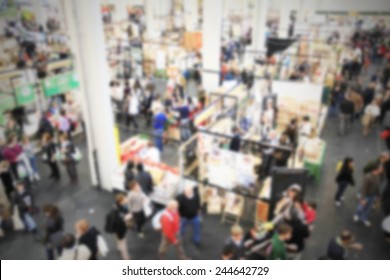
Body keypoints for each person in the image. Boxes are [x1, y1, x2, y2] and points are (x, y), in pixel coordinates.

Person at [106, 194, 130, 260]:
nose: (126, 199)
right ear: (121, 201)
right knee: (123, 243)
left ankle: (119, 248)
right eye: (125, 198)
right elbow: (119, 221)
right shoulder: (118, 210)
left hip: (116, 228)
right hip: (119, 229)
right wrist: (126, 218)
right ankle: (126, 257)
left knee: (118, 240)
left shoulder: (118, 206)